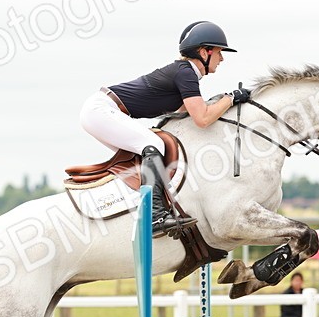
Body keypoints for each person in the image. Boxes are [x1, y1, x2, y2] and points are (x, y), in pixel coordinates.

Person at [78, 21, 252, 237]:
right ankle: (156, 216)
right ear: (204, 52)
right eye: (219, 52)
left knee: (144, 156)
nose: (222, 58)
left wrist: (226, 103)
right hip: (101, 110)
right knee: (153, 145)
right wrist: (231, 98)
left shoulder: (185, 74)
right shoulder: (186, 72)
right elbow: (202, 118)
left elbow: (184, 116)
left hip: (102, 112)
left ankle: (141, 212)